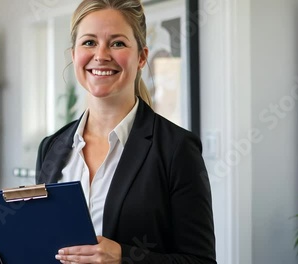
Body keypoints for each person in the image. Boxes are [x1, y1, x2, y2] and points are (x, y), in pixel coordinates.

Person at [35, 0, 216, 263]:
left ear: (142, 57)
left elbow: (201, 261)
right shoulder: (51, 147)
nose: (101, 55)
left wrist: (124, 256)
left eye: (117, 43)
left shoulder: (177, 149)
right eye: (89, 42)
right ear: (73, 54)